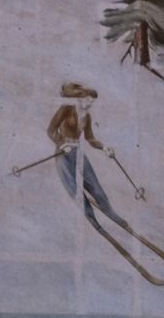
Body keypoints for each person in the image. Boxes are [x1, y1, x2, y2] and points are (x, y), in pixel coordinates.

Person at [47, 82, 133, 231]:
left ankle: (111, 213)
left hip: (78, 152)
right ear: (80, 98)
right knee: (75, 190)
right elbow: (51, 130)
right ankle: (93, 220)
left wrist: (104, 148)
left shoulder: (87, 116)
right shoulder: (66, 109)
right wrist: (61, 144)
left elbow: (90, 138)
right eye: (89, 100)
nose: (91, 103)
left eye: (93, 101)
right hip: (63, 154)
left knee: (95, 186)